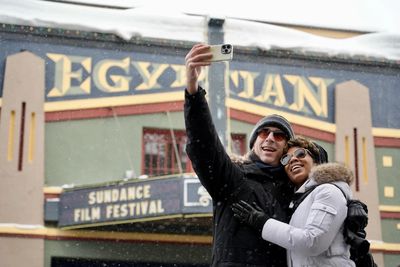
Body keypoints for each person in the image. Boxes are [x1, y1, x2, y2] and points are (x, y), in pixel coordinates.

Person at [184, 43, 295, 266]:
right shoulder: (232, 178)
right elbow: (204, 145)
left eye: (279, 135)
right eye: (264, 133)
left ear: (287, 149)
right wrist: (193, 91)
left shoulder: (295, 191)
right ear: (254, 143)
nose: (270, 138)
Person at [232, 136, 356, 267]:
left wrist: (263, 223)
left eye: (300, 153)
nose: (293, 159)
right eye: (285, 159)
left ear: (316, 162)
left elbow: (313, 242)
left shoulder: (327, 191)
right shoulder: (297, 202)